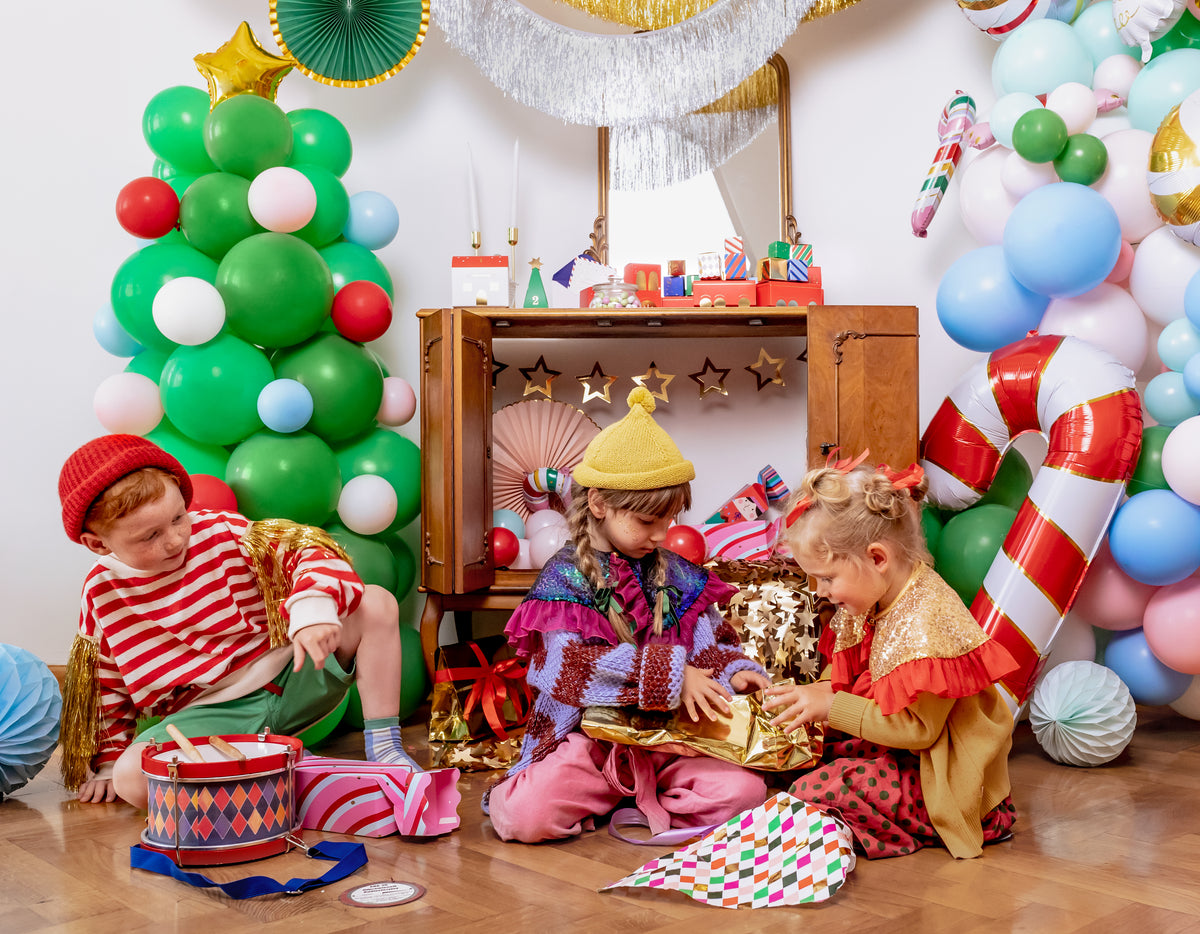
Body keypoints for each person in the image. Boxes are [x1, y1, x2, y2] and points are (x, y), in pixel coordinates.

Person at [57, 433, 421, 807]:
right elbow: (105, 682)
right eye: (150, 536)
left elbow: (307, 548)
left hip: (293, 678)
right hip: (209, 720)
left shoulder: (222, 530)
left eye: (179, 516)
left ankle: (385, 749)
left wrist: (312, 608)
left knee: (376, 601)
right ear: (98, 544)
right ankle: (287, 775)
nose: (174, 540)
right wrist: (106, 761)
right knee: (131, 779)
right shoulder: (102, 592)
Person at [487, 388, 772, 843]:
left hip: (671, 740)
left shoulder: (679, 575)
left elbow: (711, 644)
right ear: (599, 504)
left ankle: (640, 794)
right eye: (646, 522)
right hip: (590, 745)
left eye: (670, 519)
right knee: (525, 817)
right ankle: (623, 792)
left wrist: (735, 672)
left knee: (746, 793)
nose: (662, 534)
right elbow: (567, 670)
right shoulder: (564, 580)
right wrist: (672, 678)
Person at [762, 455, 1019, 859]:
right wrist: (812, 695)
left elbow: (919, 732)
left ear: (877, 558)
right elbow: (848, 673)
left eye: (828, 578)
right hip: (893, 745)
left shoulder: (927, 619)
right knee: (796, 761)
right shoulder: (870, 597)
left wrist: (831, 705)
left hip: (935, 766)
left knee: (818, 789)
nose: (821, 591)